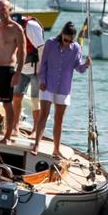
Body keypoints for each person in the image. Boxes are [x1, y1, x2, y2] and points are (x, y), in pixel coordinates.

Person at [33, 22, 91, 158]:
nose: (67, 43)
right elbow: (43, 64)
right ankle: (36, 145)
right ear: (62, 34)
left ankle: (56, 149)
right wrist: (42, 80)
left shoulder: (76, 48)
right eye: (66, 40)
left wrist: (86, 65)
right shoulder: (50, 43)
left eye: (70, 41)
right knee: (44, 114)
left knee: (59, 119)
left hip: (64, 87)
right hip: (47, 84)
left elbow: (79, 68)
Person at [0, 0, 26, 145]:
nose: (0, 12)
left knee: (7, 103)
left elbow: (22, 53)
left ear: (9, 10)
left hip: (7, 70)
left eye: (3, 9)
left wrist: (18, 73)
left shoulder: (16, 29)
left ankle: (8, 136)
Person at [11, 13, 45, 138]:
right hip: (21, 68)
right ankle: (15, 127)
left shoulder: (31, 26)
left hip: (36, 68)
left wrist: (42, 71)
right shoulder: (11, 27)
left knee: (36, 99)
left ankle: (36, 130)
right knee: (16, 96)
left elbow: (41, 48)